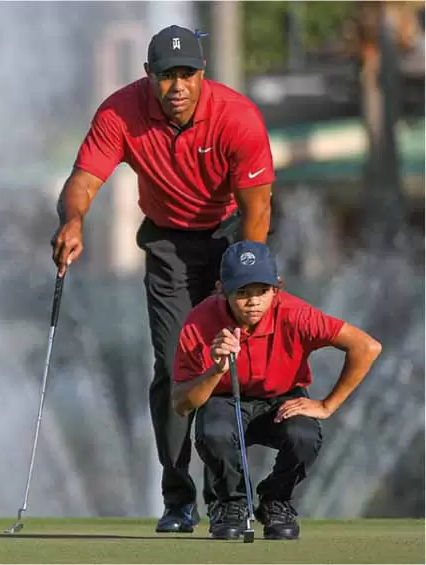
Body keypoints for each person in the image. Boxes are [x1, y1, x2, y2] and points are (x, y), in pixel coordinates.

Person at [51, 24, 275, 532]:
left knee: (229, 365)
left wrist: (239, 274)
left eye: (186, 75)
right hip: (168, 245)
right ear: (148, 75)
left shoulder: (238, 117)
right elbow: (84, 180)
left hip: (230, 239)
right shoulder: (120, 111)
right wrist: (73, 220)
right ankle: (178, 499)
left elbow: (258, 207)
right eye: (166, 76)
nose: (177, 87)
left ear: (202, 75)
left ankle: (231, 499)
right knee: (174, 368)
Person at [172, 240, 382, 540]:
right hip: (223, 398)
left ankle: (275, 501)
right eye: (242, 292)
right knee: (213, 432)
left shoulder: (296, 313)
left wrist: (326, 406)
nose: (254, 301)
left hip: (282, 399)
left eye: (262, 291)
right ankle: (231, 504)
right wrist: (216, 370)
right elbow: (181, 404)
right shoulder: (200, 322)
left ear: (277, 287)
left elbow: (367, 347)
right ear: (221, 290)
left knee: (305, 436)